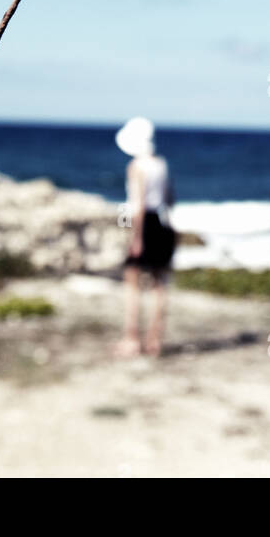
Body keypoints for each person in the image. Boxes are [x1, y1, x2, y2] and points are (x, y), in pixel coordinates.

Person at [113, 116, 176, 357]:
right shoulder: (162, 164)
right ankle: (155, 341)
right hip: (162, 222)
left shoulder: (136, 167)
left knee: (133, 282)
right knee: (160, 284)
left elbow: (138, 205)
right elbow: (170, 199)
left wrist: (136, 238)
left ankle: (131, 340)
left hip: (145, 225)